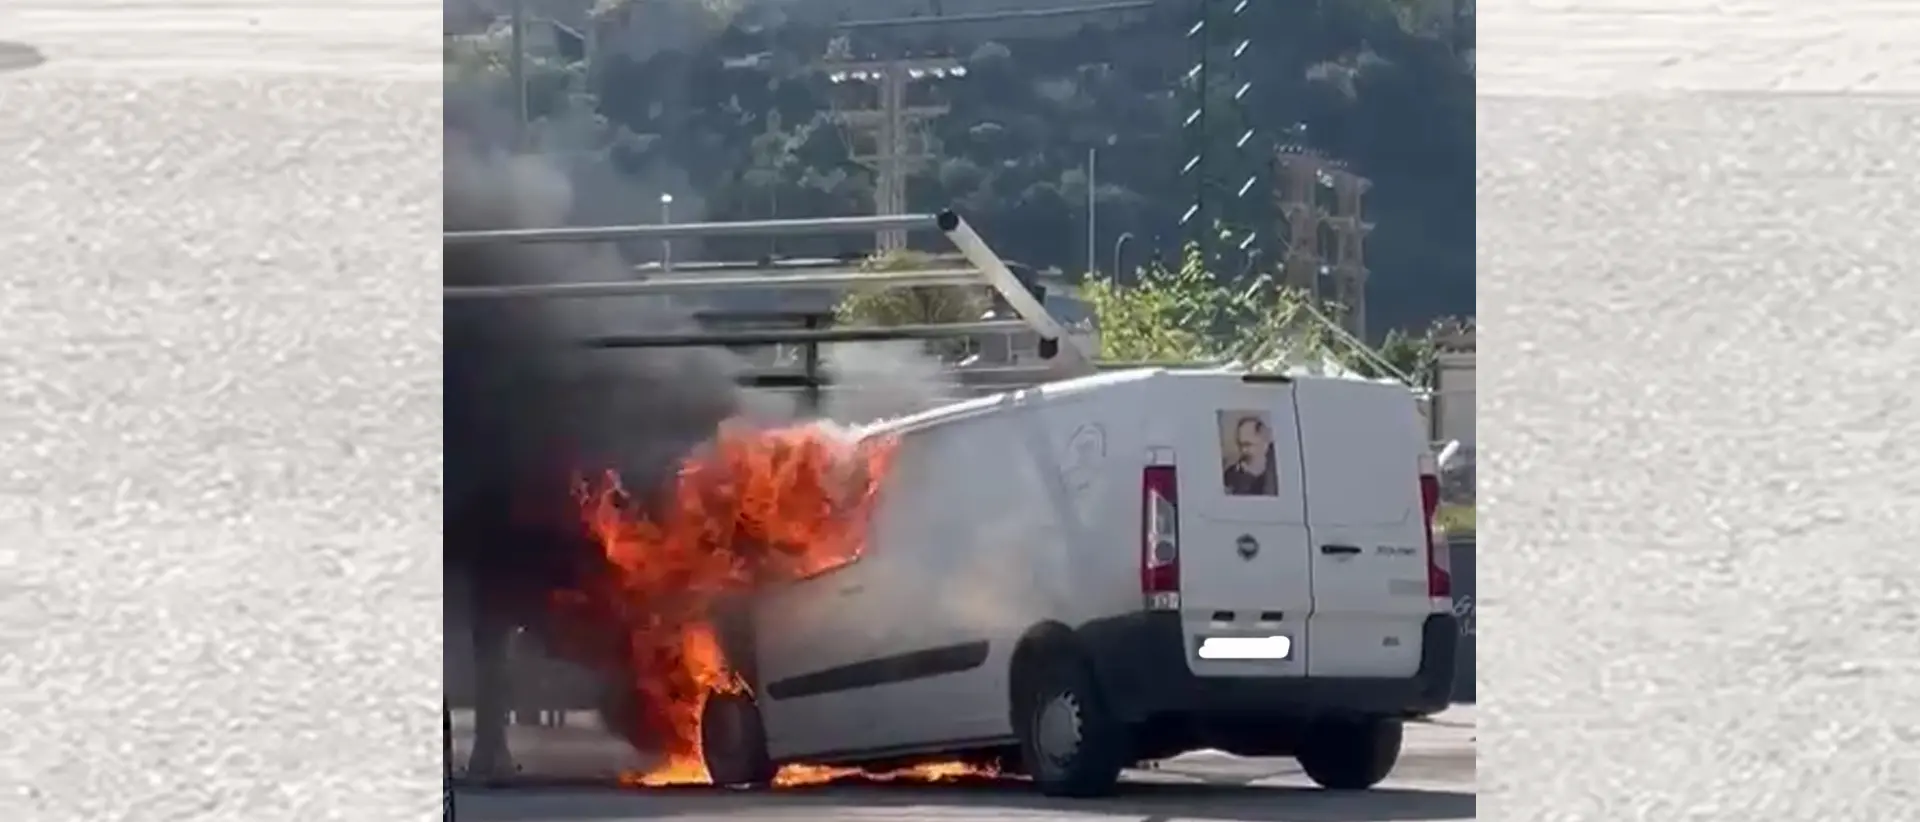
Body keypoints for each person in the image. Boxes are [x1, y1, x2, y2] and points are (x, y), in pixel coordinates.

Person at [1223, 415, 1279, 496]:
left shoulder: (1278, 470)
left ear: (1265, 443)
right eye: (1240, 444)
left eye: (1248, 444)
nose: (1243, 450)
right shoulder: (1231, 476)